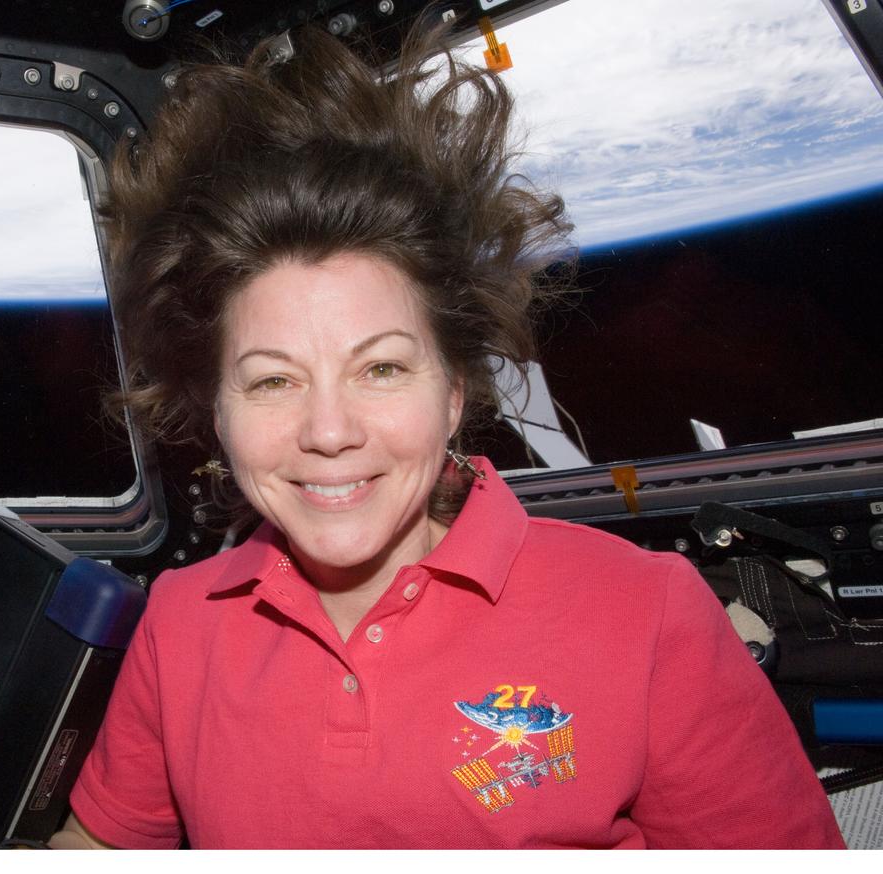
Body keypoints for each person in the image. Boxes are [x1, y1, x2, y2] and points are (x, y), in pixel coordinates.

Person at [49, 19, 844, 849]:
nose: (328, 431)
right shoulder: (178, 622)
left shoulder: (649, 613)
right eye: (274, 380)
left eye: (382, 369)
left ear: (455, 394)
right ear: (218, 412)